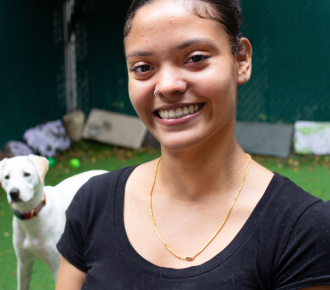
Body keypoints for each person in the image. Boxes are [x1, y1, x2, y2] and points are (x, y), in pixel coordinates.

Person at [55, 0, 330, 289]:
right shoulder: (94, 204)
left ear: (241, 61)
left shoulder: (302, 229)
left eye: (195, 58)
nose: (167, 85)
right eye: (143, 67)